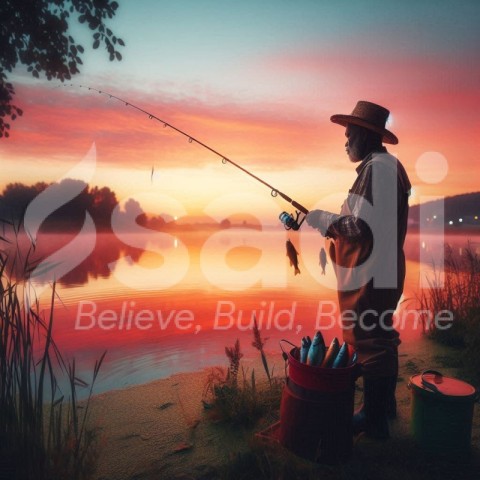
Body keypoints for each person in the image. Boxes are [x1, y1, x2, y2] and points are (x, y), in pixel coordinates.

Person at [306, 100, 411, 439]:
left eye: (350, 132)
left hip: (371, 273)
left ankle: (373, 418)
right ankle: (384, 410)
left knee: (370, 341)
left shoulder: (377, 168)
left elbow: (361, 227)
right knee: (380, 335)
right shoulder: (386, 166)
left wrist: (323, 218)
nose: (345, 139)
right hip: (381, 270)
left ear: (367, 135)